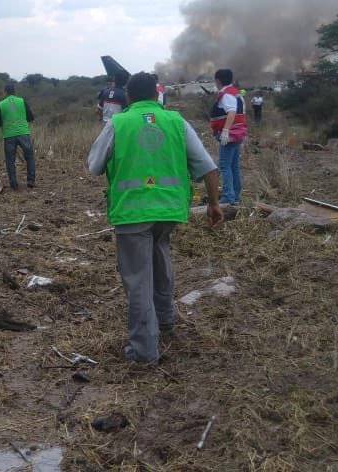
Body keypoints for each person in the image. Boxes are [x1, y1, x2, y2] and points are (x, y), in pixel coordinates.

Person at [87, 72, 223, 364]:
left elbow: (94, 166)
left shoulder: (118, 123)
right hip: (170, 211)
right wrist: (214, 204)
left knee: (138, 281)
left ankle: (144, 351)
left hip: (132, 212)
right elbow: (208, 168)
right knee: (161, 261)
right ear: (156, 94)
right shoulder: (176, 122)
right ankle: (166, 322)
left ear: (129, 96)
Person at [209, 69, 248, 206]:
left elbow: (231, 112)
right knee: (234, 166)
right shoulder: (236, 93)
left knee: (225, 166)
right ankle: (235, 196)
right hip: (238, 133)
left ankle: (228, 197)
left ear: (218, 80)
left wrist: (225, 131)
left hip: (230, 135)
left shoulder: (226, 95)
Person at [0, 82, 36, 190]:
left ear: (5, 92)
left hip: (9, 135)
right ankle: (31, 181)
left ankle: (13, 184)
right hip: (23, 133)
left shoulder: (1, 104)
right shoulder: (22, 101)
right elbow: (31, 117)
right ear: (15, 91)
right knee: (30, 157)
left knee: (10, 160)